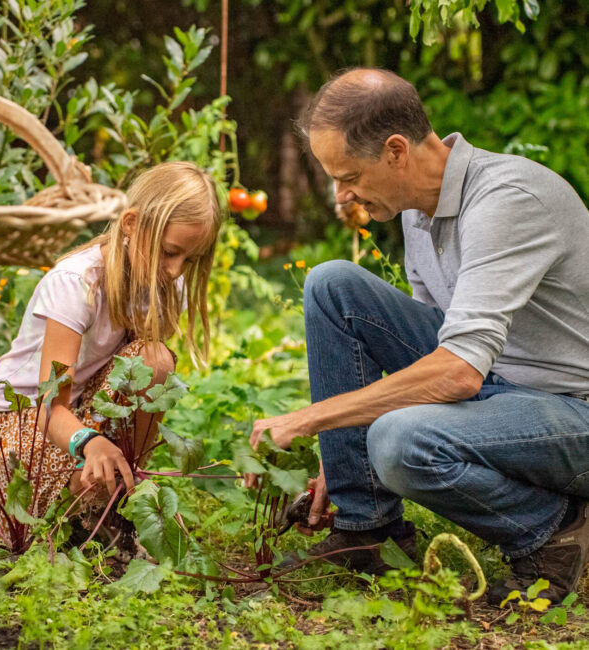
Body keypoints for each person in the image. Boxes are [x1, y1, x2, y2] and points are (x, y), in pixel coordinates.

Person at [247, 68, 589, 604]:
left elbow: (455, 372)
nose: (343, 196)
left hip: (572, 414)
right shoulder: (418, 213)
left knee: (399, 440)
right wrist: (339, 461)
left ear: (396, 151)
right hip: (501, 387)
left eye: (348, 175)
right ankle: (367, 529)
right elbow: (430, 352)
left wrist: (310, 420)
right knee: (332, 283)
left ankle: (555, 530)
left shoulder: (507, 201)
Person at [0, 161, 222, 542]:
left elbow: (133, 391)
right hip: (20, 423)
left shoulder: (167, 286)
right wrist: (90, 442)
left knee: (155, 360)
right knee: (36, 518)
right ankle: (81, 506)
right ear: (132, 224)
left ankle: (108, 505)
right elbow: (50, 407)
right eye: (170, 252)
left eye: (189, 259)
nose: (175, 270)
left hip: (81, 416)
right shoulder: (77, 284)